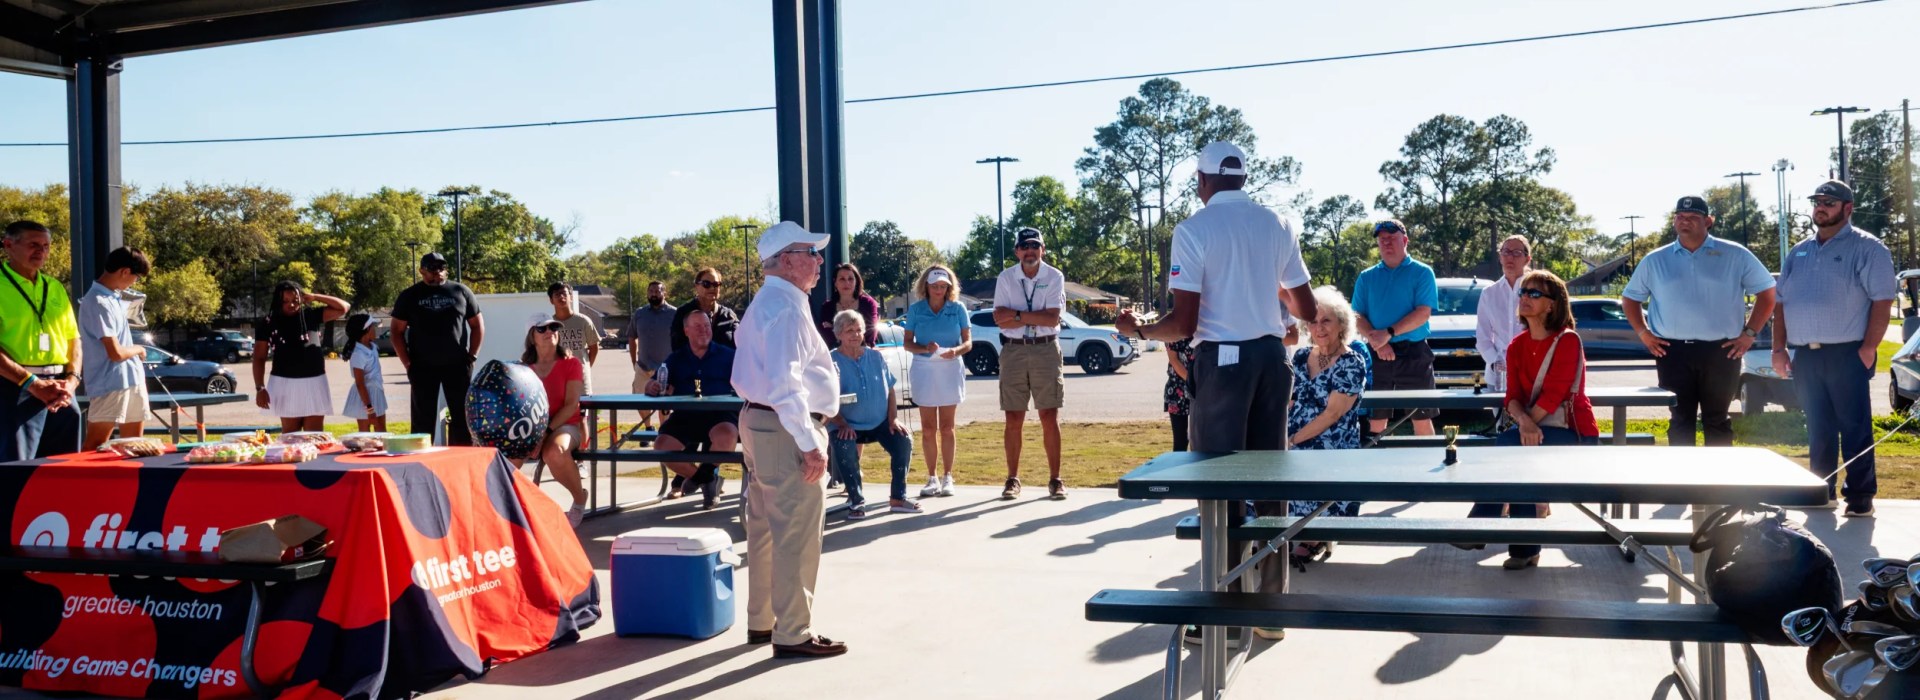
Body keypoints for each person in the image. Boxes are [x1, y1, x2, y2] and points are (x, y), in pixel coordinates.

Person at [1117, 141, 1317, 645]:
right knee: (1272, 480)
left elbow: (1182, 323)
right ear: (1242, 177)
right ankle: (1271, 608)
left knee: (1220, 486)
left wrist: (1138, 330)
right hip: (1272, 359)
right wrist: (1259, 288)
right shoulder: (1278, 224)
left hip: (1223, 362)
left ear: (1202, 180)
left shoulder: (1194, 229)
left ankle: (1226, 619)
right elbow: (1307, 307)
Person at [732, 221, 845, 659]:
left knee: (763, 529)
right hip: (784, 427)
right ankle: (793, 631)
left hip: (762, 424)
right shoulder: (786, 308)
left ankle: (762, 621)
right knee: (795, 532)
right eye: (810, 253)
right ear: (786, 260)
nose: (819, 261)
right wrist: (809, 442)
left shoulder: (770, 302)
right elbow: (785, 384)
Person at [1772, 180, 1897, 518]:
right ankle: (1820, 490)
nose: (1821, 207)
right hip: (1806, 356)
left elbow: (1882, 301)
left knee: (1854, 427)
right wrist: (1779, 348)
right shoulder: (1798, 251)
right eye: (1817, 201)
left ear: (1848, 208)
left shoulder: (1868, 248)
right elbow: (1780, 303)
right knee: (1817, 426)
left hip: (1848, 353)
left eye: (1830, 202)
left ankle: (1860, 497)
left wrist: (1870, 347)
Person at [1465, 270, 1600, 570]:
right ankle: (1523, 549)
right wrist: (1525, 423)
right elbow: (1511, 397)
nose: (1524, 297)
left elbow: (1555, 394)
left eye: (1534, 294)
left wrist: (1526, 425)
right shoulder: (1516, 346)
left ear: (1552, 304)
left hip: (1574, 432)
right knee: (1517, 455)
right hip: (1533, 431)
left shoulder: (1568, 341)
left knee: (1511, 447)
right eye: (1523, 293)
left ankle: (1483, 526)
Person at [1622, 196, 1777, 447]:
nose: (1685, 222)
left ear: (1708, 221)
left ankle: (1718, 484)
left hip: (1722, 350)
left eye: (1693, 217)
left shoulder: (1735, 254)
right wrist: (1643, 333)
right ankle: (1683, 483)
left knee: (1716, 419)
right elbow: (1630, 299)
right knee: (1680, 418)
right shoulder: (1655, 259)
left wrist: (1749, 333)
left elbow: (1768, 293)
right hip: (1672, 351)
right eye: (1680, 217)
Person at [991, 227, 1068, 500]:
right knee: (1013, 417)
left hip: (1045, 350)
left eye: (1035, 246)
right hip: (1013, 351)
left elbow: (1052, 319)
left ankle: (1055, 480)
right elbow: (999, 317)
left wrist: (1018, 316)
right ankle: (1012, 479)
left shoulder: (1054, 276)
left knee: (1049, 416)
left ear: (1043, 250)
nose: (1030, 251)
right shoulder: (1006, 277)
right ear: (1017, 251)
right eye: (1025, 247)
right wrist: (1032, 316)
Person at [0, 221, 81, 461]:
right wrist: (32, 384)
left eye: (46, 246)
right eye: (33, 245)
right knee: (17, 471)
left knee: (65, 468)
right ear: (8, 245)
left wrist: (72, 380)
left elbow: (73, 338)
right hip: (15, 387)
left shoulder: (54, 287)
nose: (41, 252)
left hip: (61, 389)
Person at [827, 310, 918, 518]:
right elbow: (825, 399)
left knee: (904, 441)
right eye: (849, 330)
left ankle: (898, 498)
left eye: (859, 330)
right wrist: (840, 423)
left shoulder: (875, 357)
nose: (855, 335)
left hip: (879, 423)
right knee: (843, 444)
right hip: (845, 424)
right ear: (839, 334)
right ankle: (856, 501)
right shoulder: (830, 361)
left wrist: (893, 418)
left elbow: (891, 389)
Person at [1353, 219, 1440, 436]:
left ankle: (1425, 465)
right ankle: (1377, 469)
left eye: (1392, 238)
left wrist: (1389, 333)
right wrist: (1379, 342)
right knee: (1376, 418)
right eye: (1382, 239)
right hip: (1377, 353)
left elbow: (1423, 313)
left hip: (1414, 352)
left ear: (1405, 240)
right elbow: (1356, 315)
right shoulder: (1366, 277)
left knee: (1421, 417)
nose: (1387, 243)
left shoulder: (1422, 272)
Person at [646, 309, 739, 510]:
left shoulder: (729, 356)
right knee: (662, 447)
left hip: (720, 416)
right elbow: (653, 383)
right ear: (686, 331)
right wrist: (652, 387)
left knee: (728, 435)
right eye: (697, 327)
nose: (703, 330)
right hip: (686, 416)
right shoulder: (676, 358)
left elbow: (750, 383)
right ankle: (706, 479)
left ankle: (702, 477)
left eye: (706, 326)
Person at [391, 252, 485, 446]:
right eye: (433, 269)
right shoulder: (409, 295)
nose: (438, 272)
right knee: (422, 418)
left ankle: (460, 458)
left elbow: (477, 325)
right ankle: (419, 462)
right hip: (422, 366)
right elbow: (396, 331)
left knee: (461, 415)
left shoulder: (461, 291)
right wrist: (407, 363)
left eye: (441, 268)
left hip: (457, 365)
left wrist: (472, 355)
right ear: (422, 271)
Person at [903, 265, 969, 498]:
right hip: (924, 368)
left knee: (947, 428)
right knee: (928, 428)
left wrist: (956, 351)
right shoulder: (916, 309)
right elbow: (907, 343)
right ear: (926, 286)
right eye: (935, 286)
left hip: (950, 367)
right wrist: (924, 348)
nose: (939, 290)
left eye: (943, 286)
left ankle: (948, 476)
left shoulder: (958, 308)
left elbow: (967, 342)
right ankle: (932, 477)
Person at [252, 280, 350, 433]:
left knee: (315, 436)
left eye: (295, 301)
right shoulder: (268, 323)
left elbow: (344, 307)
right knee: (291, 437)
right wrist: (260, 387)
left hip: (315, 381)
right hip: (284, 382)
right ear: (278, 301)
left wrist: (315, 297)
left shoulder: (310, 315)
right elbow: (259, 357)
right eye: (286, 301)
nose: (291, 305)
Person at [521, 312, 589, 527]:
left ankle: (579, 499)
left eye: (553, 328)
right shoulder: (523, 369)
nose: (549, 332)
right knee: (506, 457)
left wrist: (546, 433)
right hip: (533, 427)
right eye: (542, 329)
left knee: (554, 452)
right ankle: (511, 509)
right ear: (532, 336)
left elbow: (571, 405)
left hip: (566, 426)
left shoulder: (571, 363)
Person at [78, 247, 149, 451]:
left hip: (132, 378)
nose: (135, 282)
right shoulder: (97, 301)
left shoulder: (115, 297)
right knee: (95, 445)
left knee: (135, 446)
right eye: (136, 277)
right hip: (109, 383)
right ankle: (84, 483)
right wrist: (138, 349)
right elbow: (115, 353)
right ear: (125, 272)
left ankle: (130, 483)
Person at [1475, 235, 1532, 393]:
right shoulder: (1489, 293)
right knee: (1500, 418)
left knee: (1529, 418)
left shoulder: (1537, 291)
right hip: (1498, 376)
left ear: (1527, 259)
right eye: (1505, 252)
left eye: (1516, 253)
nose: (1510, 257)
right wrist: (1495, 363)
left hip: (1531, 373)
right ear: (1500, 257)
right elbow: (1482, 337)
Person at [626, 280, 676, 430]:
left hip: (665, 368)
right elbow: (631, 337)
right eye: (651, 291)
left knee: (664, 403)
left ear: (664, 293)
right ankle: (648, 427)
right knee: (640, 400)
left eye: (657, 291)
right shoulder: (639, 313)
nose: (654, 294)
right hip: (643, 367)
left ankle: (664, 429)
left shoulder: (674, 313)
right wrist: (634, 361)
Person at [547, 282, 600, 394]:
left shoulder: (584, 321)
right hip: (558, 378)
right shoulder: (548, 325)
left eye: (564, 293)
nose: (561, 297)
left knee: (583, 409)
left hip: (581, 378)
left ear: (570, 297)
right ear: (551, 300)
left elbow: (594, 348)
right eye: (557, 294)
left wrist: (586, 367)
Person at [672, 267, 740, 351]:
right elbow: (677, 347)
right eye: (706, 284)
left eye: (716, 284)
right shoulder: (683, 313)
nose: (712, 288)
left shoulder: (729, 316)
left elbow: (741, 346)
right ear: (696, 286)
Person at [816, 263, 880, 348]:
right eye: (842, 279)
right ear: (835, 282)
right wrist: (855, 333)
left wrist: (835, 329)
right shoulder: (827, 307)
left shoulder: (868, 304)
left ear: (856, 282)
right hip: (834, 357)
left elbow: (870, 335)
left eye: (850, 279)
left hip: (862, 355)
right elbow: (824, 336)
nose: (847, 283)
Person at [341, 313, 387, 433]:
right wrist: (369, 409)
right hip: (365, 399)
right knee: (365, 436)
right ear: (366, 330)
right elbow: (360, 383)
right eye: (373, 326)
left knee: (382, 432)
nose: (375, 329)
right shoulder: (358, 354)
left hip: (376, 392)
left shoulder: (372, 347)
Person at [1163, 336, 1195, 452]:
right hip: (1178, 391)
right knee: (1180, 441)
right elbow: (1174, 360)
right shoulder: (1173, 331)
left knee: (1200, 438)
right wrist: (1192, 381)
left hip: (1201, 389)